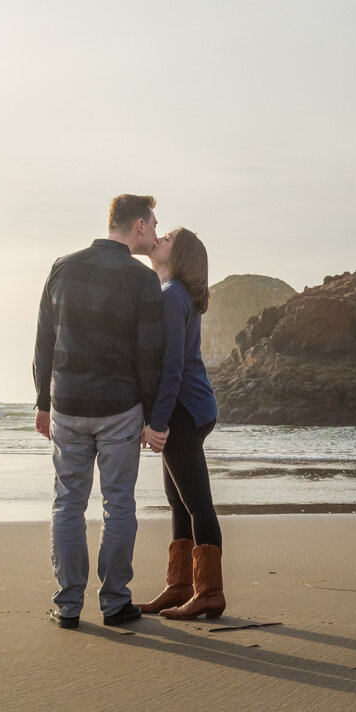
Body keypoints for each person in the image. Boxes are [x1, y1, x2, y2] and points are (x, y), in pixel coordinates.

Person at [33, 194, 165, 629]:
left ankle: (68, 606)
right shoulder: (140, 280)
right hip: (119, 409)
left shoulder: (62, 267)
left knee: (68, 503)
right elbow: (150, 354)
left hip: (68, 405)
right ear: (139, 226)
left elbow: (44, 342)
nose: (157, 229)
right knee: (118, 504)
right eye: (154, 222)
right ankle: (114, 603)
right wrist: (150, 416)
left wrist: (42, 402)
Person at [135, 226, 226, 619]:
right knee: (178, 500)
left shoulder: (172, 295)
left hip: (184, 410)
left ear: (180, 253)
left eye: (168, 237)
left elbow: (171, 366)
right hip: (192, 407)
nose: (160, 239)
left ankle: (209, 592)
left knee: (195, 502)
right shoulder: (174, 293)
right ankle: (179, 586)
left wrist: (156, 421)